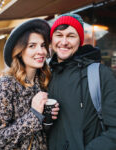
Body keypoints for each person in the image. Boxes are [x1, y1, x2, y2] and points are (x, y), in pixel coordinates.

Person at [47, 13, 116, 150]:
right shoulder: (46, 75)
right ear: (52, 40)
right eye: (59, 35)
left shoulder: (101, 74)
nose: (64, 41)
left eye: (71, 36)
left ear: (80, 41)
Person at [0, 18, 59, 150]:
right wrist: (34, 115)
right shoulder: (6, 85)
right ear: (19, 52)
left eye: (43, 45)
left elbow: (41, 132)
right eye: (32, 46)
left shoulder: (43, 80)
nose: (41, 51)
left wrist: (47, 119)